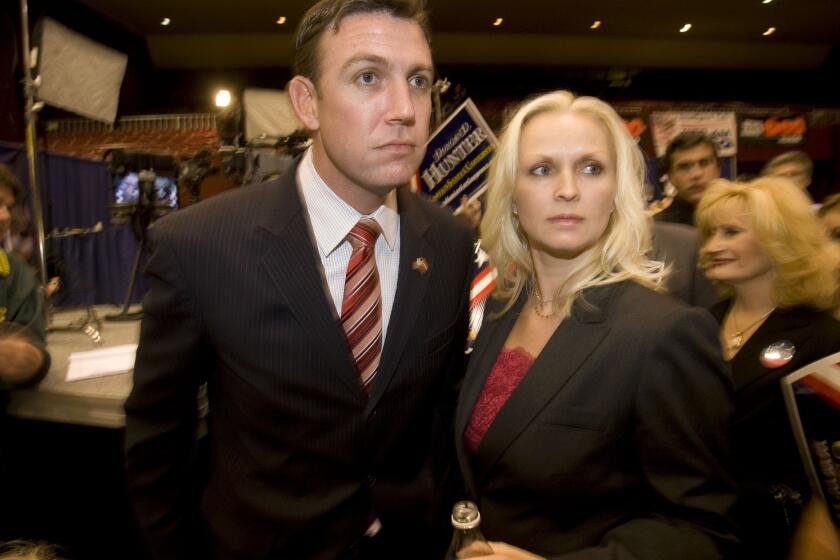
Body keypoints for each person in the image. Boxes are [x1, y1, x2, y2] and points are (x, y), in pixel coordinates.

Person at [124, 1, 474, 558]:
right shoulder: (198, 246)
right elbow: (156, 449)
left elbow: (442, 417)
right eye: (368, 77)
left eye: (419, 81)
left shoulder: (451, 244)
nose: (405, 109)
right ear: (306, 103)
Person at [454, 90, 738, 559]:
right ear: (512, 197)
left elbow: (703, 532)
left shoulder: (666, 333)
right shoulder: (499, 311)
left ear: (616, 192)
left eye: (591, 168)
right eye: (541, 169)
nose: (568, 189)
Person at [696, 177, 840, 559]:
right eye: (710, 233)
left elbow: (834, 465)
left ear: (779, 238)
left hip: (775, 534)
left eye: (731, 232)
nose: (712, 246)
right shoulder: (698, 325)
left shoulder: (824, 338)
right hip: (698, 527)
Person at [0, 164, 48, 388]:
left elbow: (32, 348)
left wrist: (29, 358)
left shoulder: (15, 271)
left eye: (8, 207)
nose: (5, 217)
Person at [651, 132, 720, 226]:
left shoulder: (739, 218)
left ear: (717, 169)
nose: (696, 174)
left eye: (704, 163)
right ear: (670, 177)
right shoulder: (660, 229)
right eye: (684, 167)